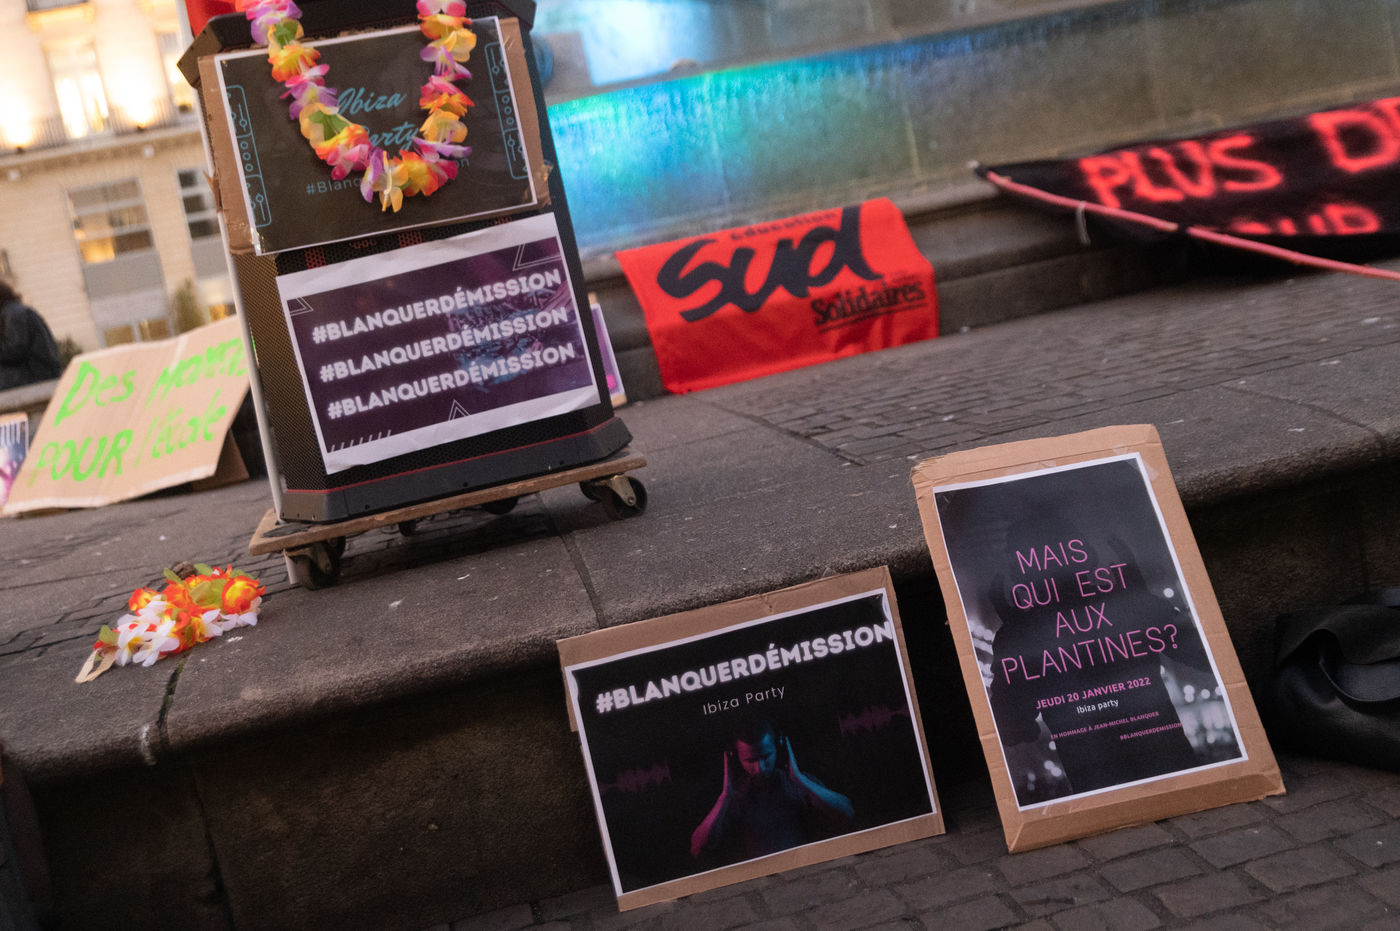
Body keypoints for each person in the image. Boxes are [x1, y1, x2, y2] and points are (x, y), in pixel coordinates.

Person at [690, 720, 853, 861]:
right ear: (735, 758)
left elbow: (847, 813)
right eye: (750, 760)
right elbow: (697, 847)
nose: (760, 768)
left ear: (779, 747)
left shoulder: (797, 784)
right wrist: (724, 796)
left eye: (765, 756)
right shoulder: (737, 796)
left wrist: (799, 779)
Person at [0, 282, 63, 390]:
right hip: (39, 376)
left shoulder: (14, 315)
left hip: (32, 379)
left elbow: (15, 351)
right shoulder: (15, 312)